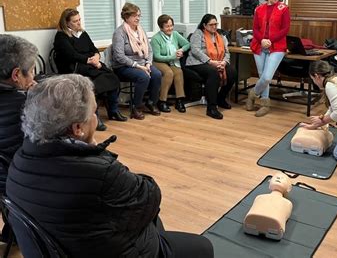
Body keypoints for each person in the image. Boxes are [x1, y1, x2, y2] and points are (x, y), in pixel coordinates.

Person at [6, 74, 214, 258]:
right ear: (78, 128)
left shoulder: (19, 160)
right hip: (105, 249)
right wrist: (96, 151)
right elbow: (151, 196)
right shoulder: (99, 173)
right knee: (202, 246)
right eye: (94, 113)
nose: (96, 119)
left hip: (66, 246)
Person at [54, 8, 127, 131]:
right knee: (92, 85)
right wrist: (90, 61)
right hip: (74, 68)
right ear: (67, 23)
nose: (79, 23)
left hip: (90, 64)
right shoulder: (61, 37)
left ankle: (113, 111)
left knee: (112, 76)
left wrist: (97, 57)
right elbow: (71, 55)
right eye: (75, 21)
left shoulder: (82, 33)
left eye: (79, 20)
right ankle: (94, 118)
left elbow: (93, 48)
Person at [0, 35, 37, 242]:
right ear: (16, 75)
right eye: (31, 71)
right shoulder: (26, 106)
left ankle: (11, 230)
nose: (33, 77)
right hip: (16, 184)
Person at [246, 0, 290, 117]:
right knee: (261, 76)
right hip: (259, 45)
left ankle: (252, 94)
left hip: (277, 47)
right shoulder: (258, 9)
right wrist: (262, 40)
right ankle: (264, 104)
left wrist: (270, 40)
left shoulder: (284, 8)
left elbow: (285, 29)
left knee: (266, 78)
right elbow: (255, 28)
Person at [112, 2, 162, 120]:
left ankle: (151, 102)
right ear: (126, 17)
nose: (138, 18)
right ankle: (136, 107)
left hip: (142, 63)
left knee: (157, 74)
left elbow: (149, 50)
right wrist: (138, 66)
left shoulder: (140, 30)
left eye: (139, 15)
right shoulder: (119, 33)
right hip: (123, 66)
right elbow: (119, 56)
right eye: (135, 16)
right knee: (143, 77)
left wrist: (148, 63)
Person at [186, 14, 236, 120]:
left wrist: (224, 62)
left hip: (217, 61)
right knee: (213, 73)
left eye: (216, 24)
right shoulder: (198, 34)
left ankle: (220, 99)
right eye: (211, 24)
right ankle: (211, 108)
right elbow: (195, 51)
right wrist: (210, 61)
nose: (214, 26)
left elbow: (227, 52)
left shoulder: (220, 35)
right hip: (197, 63)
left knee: (232, 71)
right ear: (204, 25)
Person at [150, 14, 190, 113]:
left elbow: (187, 44)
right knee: (168, 73)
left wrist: (181, 50)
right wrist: (173, 56)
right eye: (167, 26)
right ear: (161, 27)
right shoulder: (156, 38)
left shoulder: (175, 34)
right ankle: (162, 101)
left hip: (172, 60)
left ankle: (179, 100)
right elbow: (157, 56)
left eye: (171, 25)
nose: (170, 28)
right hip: (158, 61)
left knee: (178, 72)